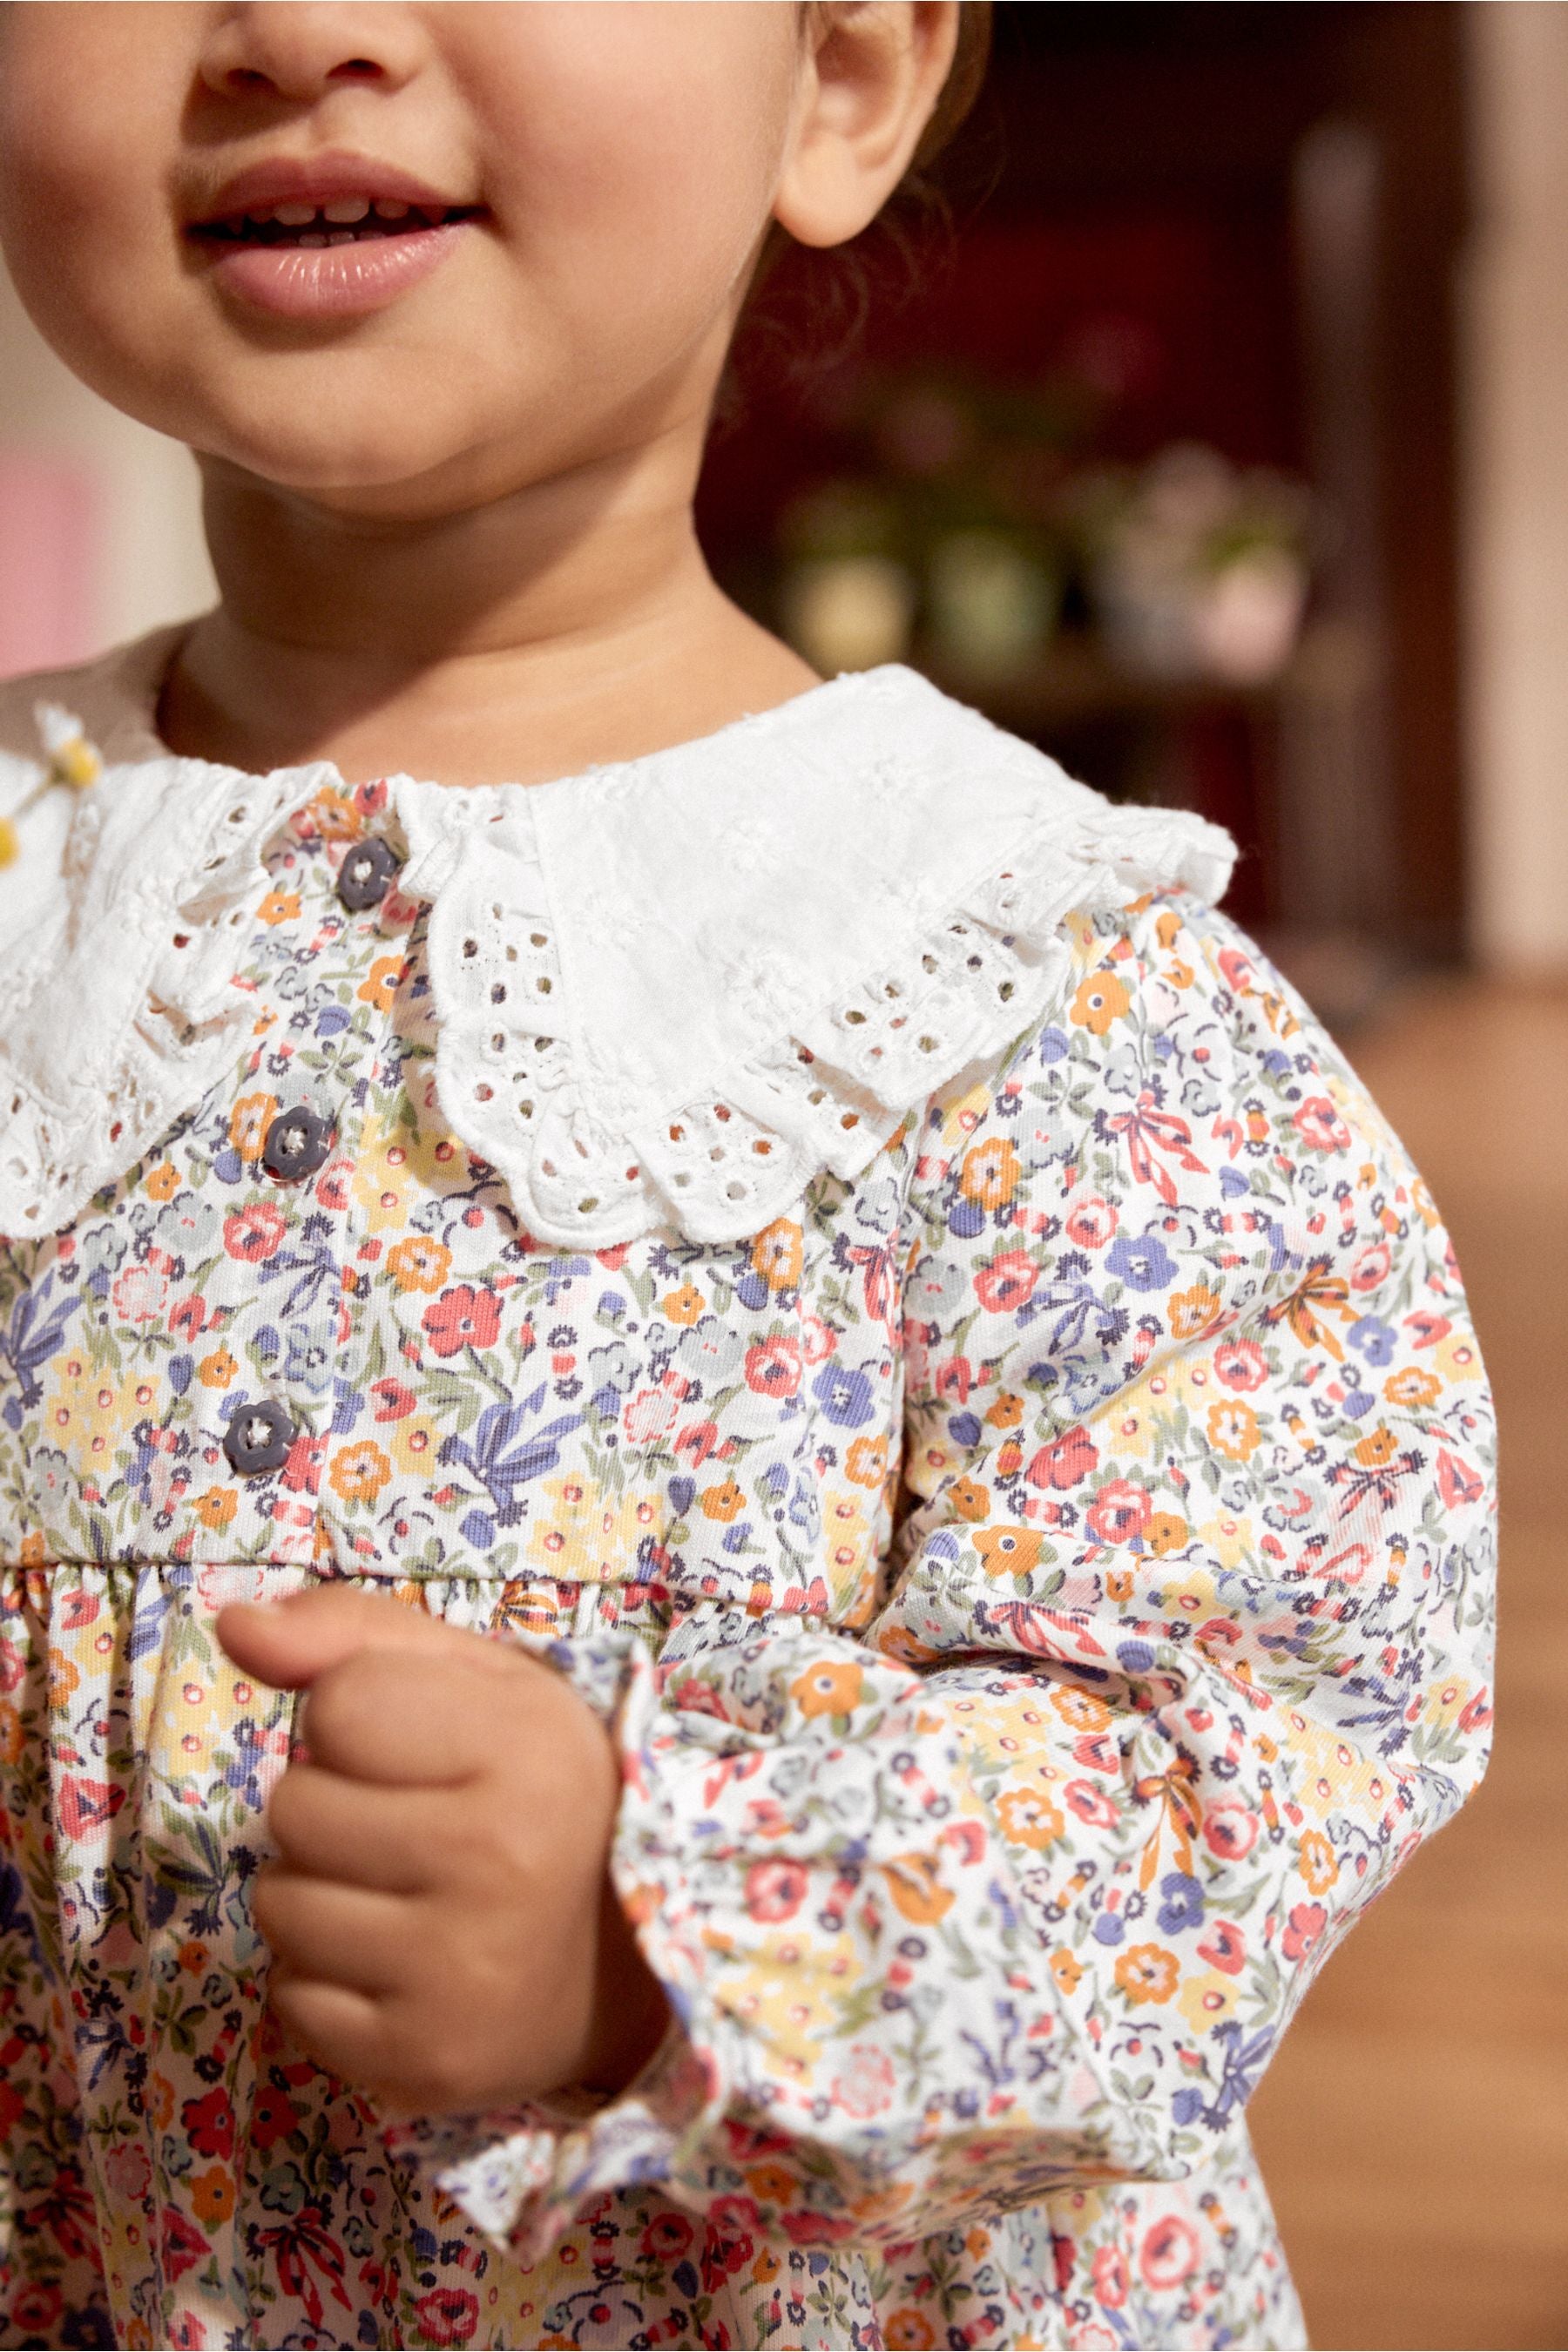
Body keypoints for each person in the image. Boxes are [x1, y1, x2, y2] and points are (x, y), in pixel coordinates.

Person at [0, 6, 1496, 2349]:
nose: (298, 24)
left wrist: (657, 1920)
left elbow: (1241, 1751)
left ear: (844, 84)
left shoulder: (1016, 984)